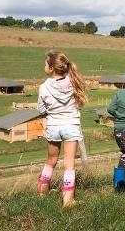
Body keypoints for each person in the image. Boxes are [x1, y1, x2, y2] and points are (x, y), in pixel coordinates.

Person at [36, 50, 87, 207]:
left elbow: (40, 109)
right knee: (69, 163)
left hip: (53, 126)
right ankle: (68, 200)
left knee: (51, 160)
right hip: (71, 125)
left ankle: (42, 192)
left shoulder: (43, 87)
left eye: (45, 64)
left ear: (51, 68)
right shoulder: (74, 83)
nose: (44, 66)